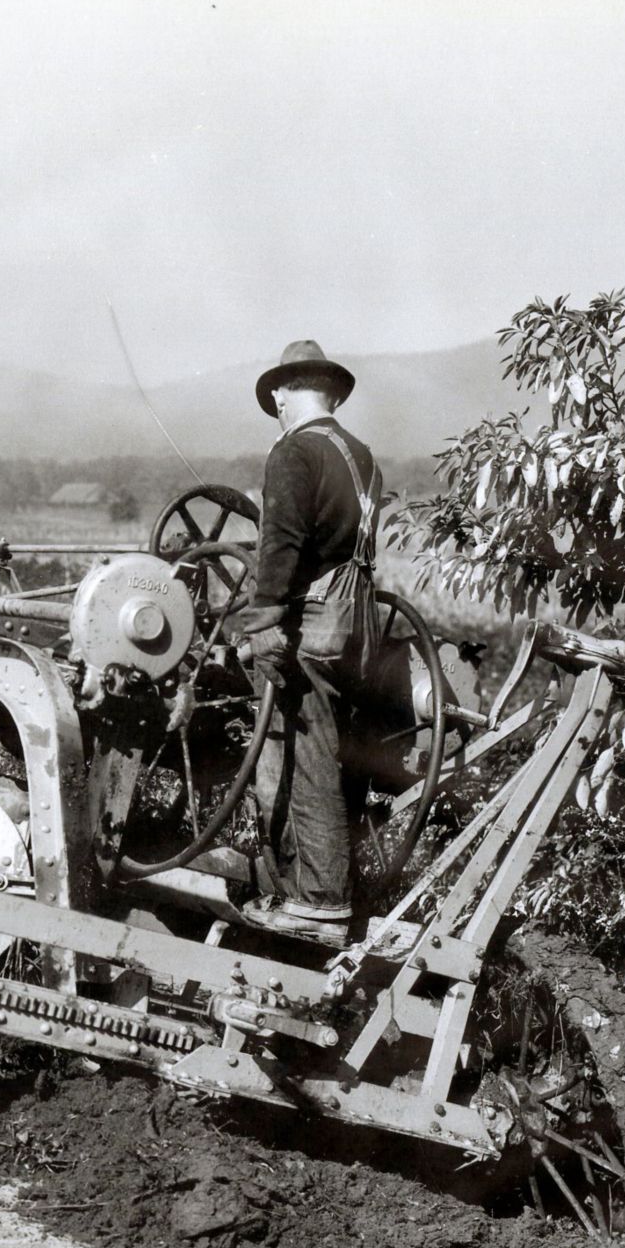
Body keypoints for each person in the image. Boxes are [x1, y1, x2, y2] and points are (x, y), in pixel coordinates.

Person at [229, 339, 382, 949]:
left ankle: (319, 903)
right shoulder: (360, 453)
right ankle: (303, 889)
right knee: (328, 750)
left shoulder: (294, 450)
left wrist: (263, 623)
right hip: (359, 619)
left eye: (280, 397)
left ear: (289, 392)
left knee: (306, 750)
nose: (278, 405)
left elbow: (281, 544)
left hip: (314, 621)